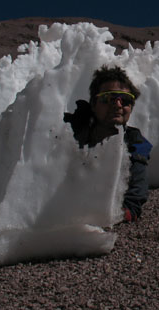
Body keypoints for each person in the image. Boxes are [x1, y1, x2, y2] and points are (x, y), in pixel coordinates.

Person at [63, 65, 152, 222]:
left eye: (125, 100)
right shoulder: (66, 130)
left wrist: (115, 214)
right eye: (108, 98)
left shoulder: (137, 144)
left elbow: (134, 199)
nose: (117, 105)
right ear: (93, 103)